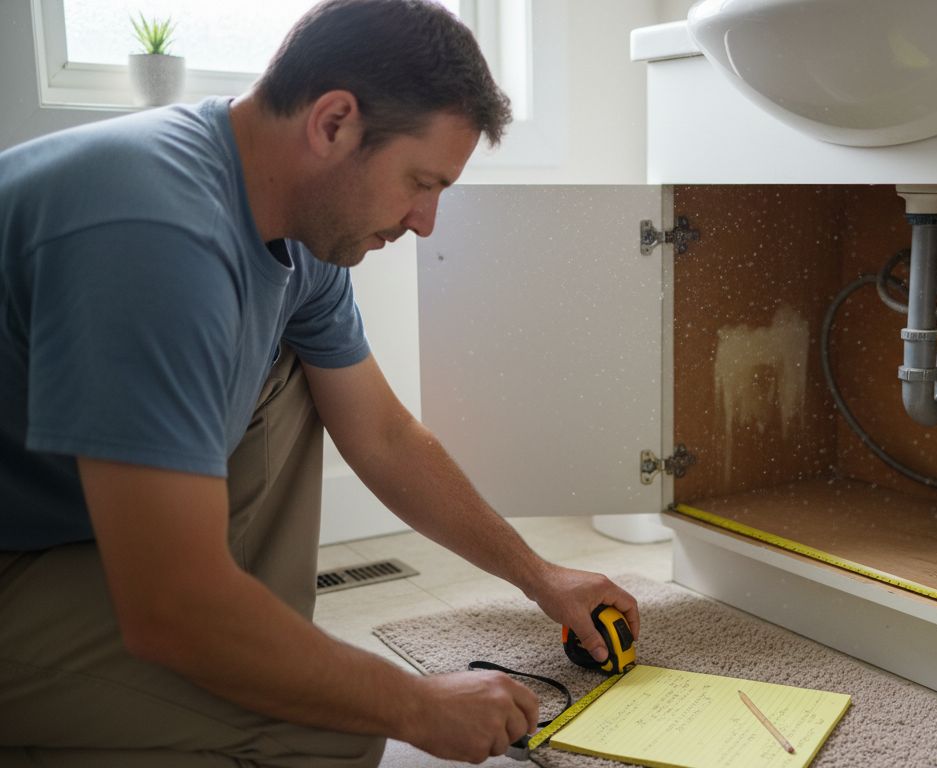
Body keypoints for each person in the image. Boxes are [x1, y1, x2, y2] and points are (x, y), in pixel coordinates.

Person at [0, 0, 640, 764]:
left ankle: (235, 643)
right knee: (335, 726)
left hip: (78, 530)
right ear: (333, 123)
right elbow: (169, 608)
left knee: (298, 372)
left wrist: (541, 576)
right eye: (421, 182)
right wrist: (413, 704)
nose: (426, 222)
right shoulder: (153, 234)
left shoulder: (296, 233)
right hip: (27, 564)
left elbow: (385, 436)